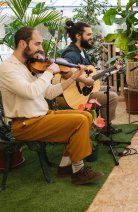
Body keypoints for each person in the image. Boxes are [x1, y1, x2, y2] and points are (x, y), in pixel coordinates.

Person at [0, 27, 104, 185]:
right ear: (22, 44)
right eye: (37, 44)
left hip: (41, 116)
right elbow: (30, 92)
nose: (41, 49)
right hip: (24, 124)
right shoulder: (7, 68)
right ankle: (79, 171)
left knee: (86, 116)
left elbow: (48, 93)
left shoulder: (29, 66)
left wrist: (73, 78)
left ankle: (64, 165)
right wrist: (49, 72)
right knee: (80, 121)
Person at [61, 20, 119, 133]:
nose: (91, 37)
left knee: (111, 89)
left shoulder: (82, 52)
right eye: (88, 34)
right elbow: (64, 71)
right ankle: (105, 128)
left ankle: (103, 124)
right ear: (78, 36)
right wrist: (84, 80)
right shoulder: (71, 53)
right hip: (76, 95)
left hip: (83, 89)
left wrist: (112, 69)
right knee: (112, 96)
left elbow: (90, 74)